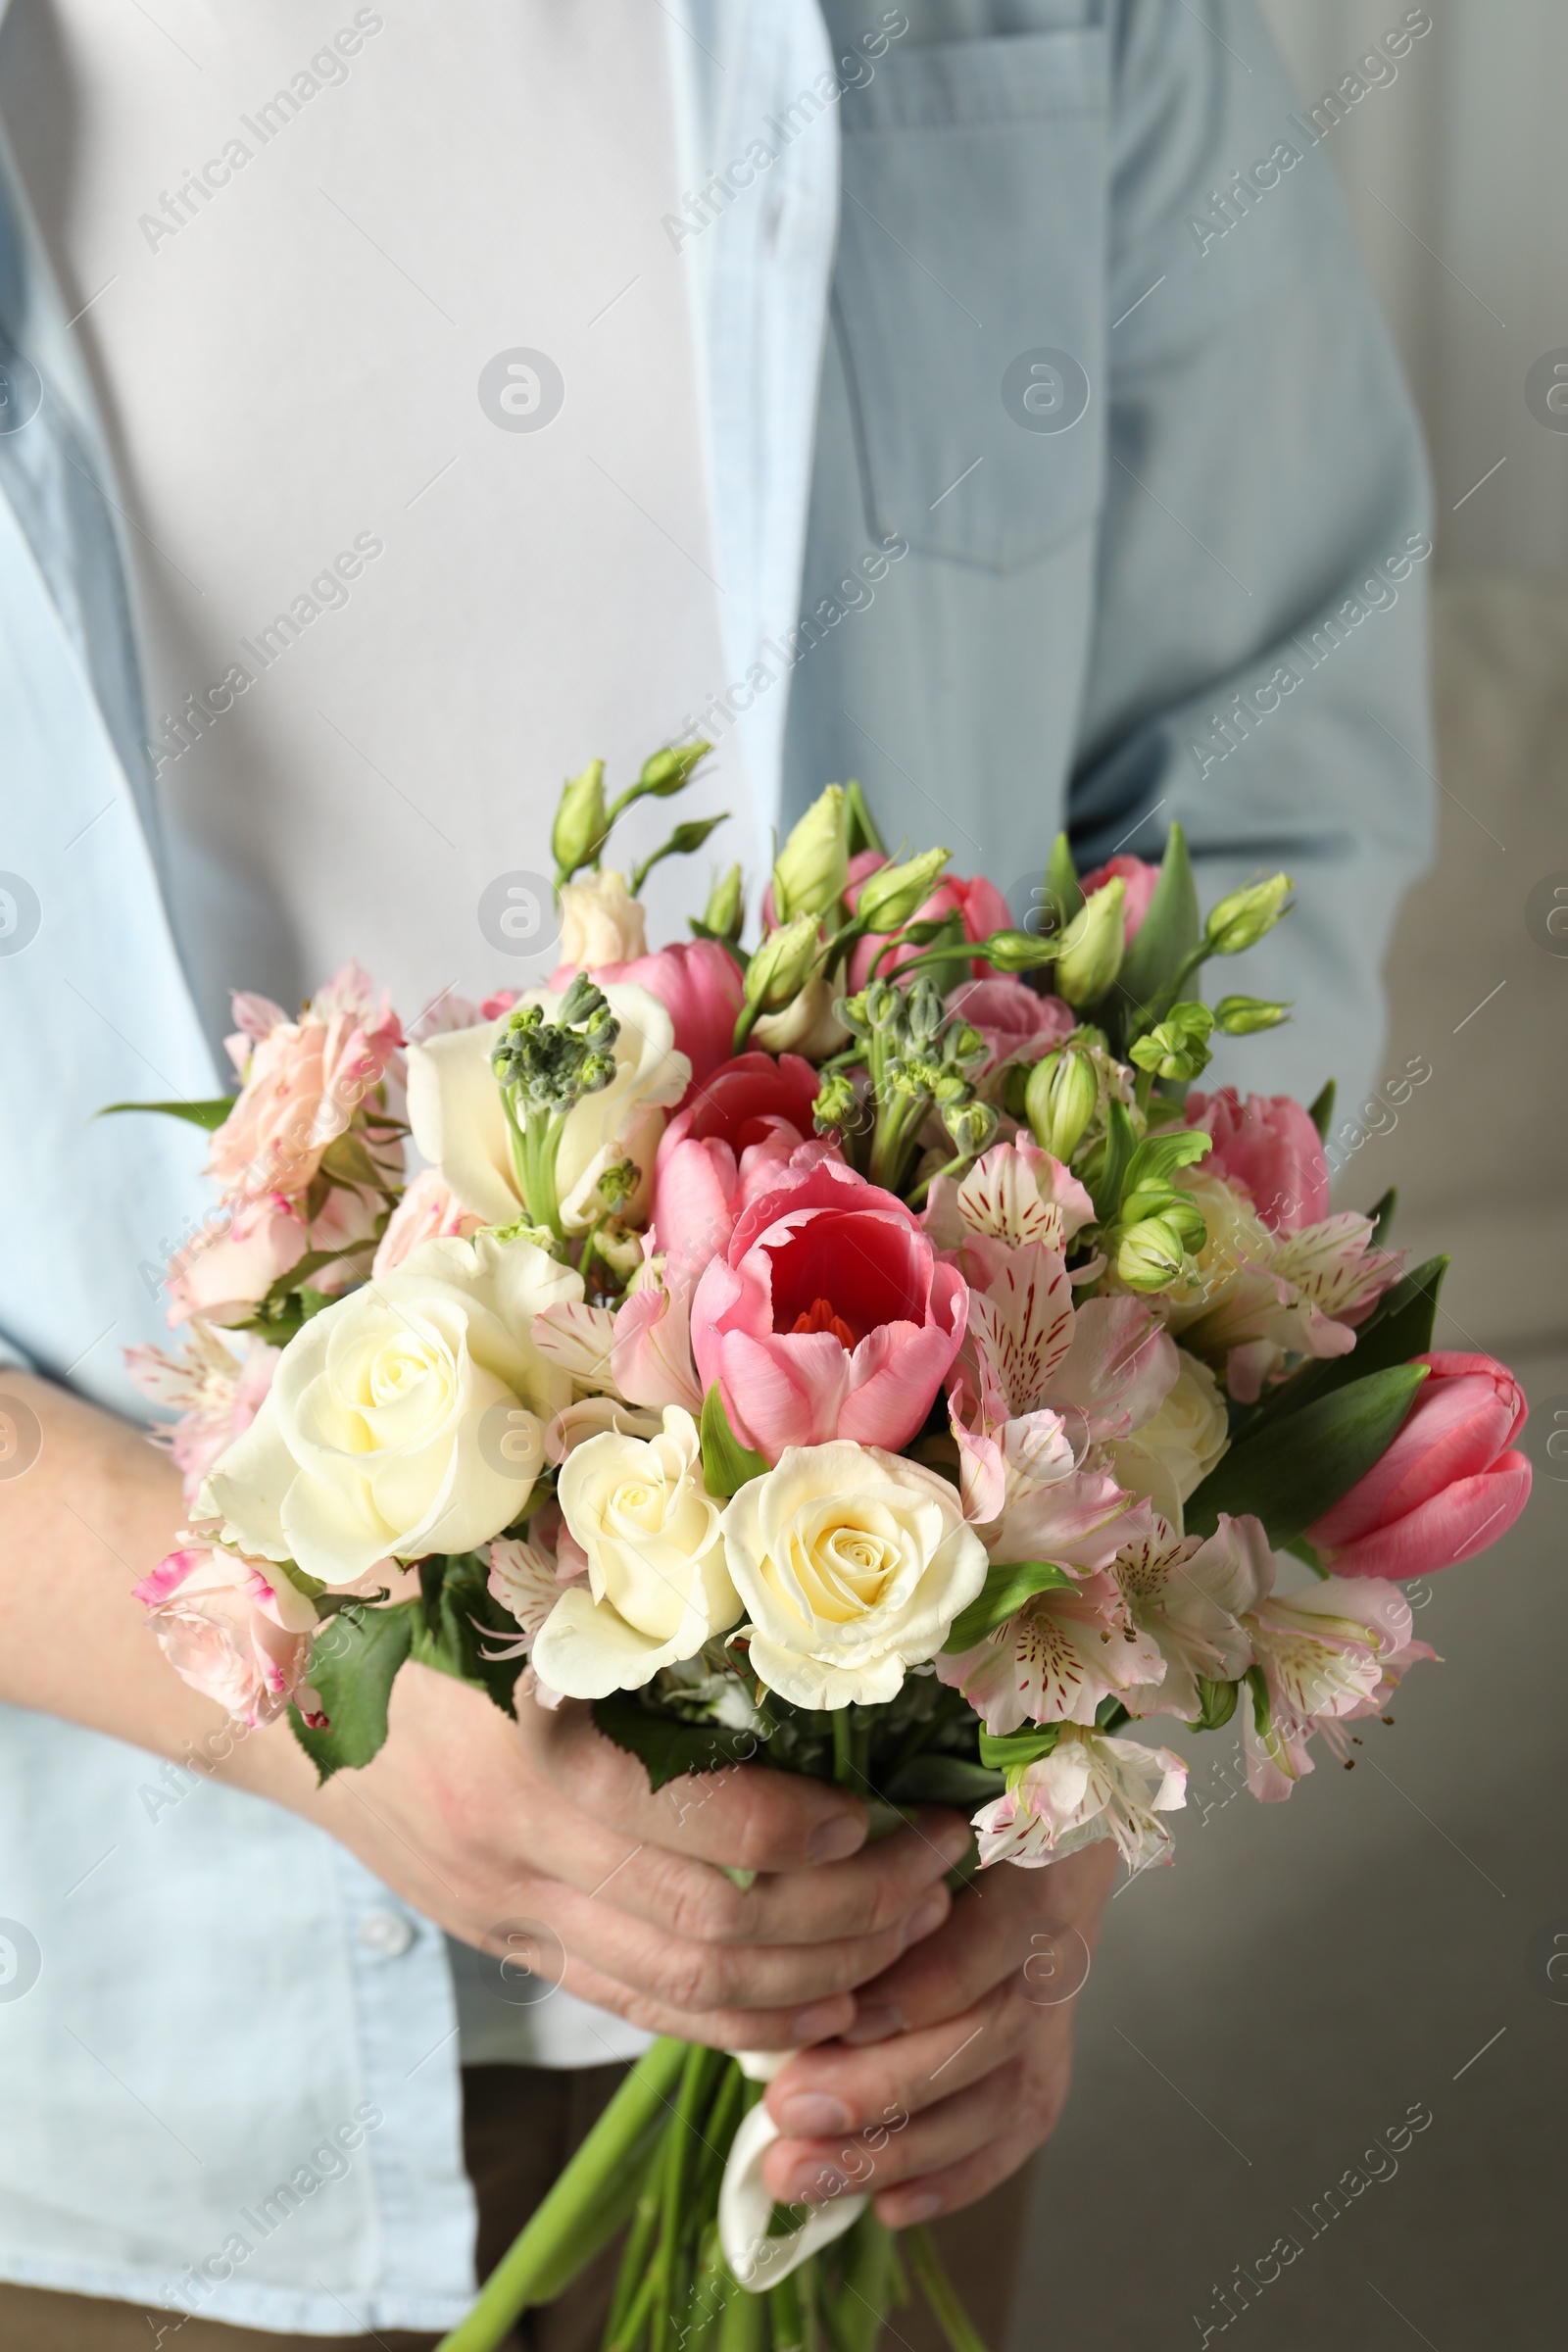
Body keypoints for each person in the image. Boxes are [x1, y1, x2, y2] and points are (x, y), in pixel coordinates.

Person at [0, 1, 1431, 2345]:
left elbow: (1262, 782)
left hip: (871, 2021)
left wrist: (1055, 1700)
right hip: (91, 2089)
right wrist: (272, 1698)